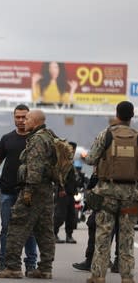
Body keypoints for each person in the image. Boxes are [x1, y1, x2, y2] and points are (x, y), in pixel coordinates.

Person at [0, 109, 56, 279]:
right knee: (45, 230)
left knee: (16, 226)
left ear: (35, 121)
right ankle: (45, 269)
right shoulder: (49, 136)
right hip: (46, 190)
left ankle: (12, 267)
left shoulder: (37, 139)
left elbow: (35, 169)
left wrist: (28, 190)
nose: (24, 121)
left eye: (27, 118)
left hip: (33, 190)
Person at [82, 101, 138, 283]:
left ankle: (98, 275)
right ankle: (127, 276)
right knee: (127, 236)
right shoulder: (137, 137)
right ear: (132, 116)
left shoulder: (106, 135)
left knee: (103, 234)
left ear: (117, 114)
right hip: (131, 194)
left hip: (107, 193)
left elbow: (91, 159)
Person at [0, 104, 37, 276]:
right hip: (8, 191)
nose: (20, 120)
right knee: (6, 229)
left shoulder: (37, 139)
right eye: (17, 117)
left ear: (30, 118)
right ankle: (4, 263)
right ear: (14, 117)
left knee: (29, 229)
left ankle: (31, 265)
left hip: (28, 192)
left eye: (24, 117)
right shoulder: (7, 138)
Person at [54, 141, 78, 244]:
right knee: (60, 215)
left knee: (71, 216)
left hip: (71, 193)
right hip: (63, 192)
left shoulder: (71, 162)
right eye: (71, 149)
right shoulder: (62, 161)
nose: (72, 151)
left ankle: (69, 235)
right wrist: (61, 189)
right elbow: (58, 177)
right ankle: (54, 233)